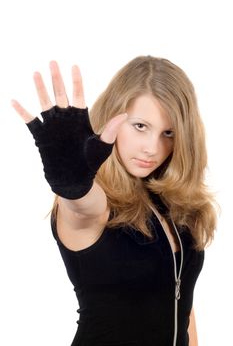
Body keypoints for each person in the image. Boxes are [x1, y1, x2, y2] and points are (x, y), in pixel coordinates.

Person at [12, 56, 217, 346]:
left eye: (168, 133)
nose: (152, 148)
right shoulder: (95, 202)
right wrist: (73, 185)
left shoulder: (171, 204)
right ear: (113, 117)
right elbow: (82, 207)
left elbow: (180, 303)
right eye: (140, 126)